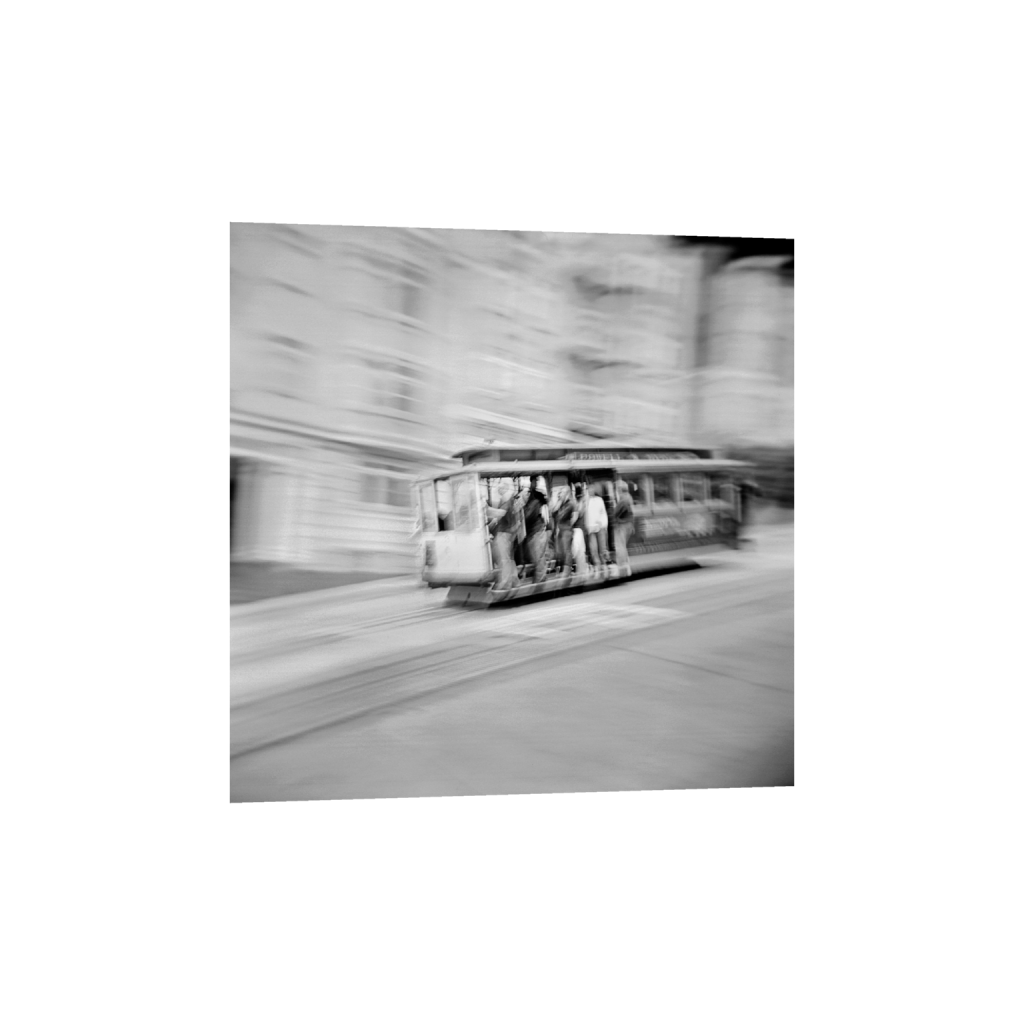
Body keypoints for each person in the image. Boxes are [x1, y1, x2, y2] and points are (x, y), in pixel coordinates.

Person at [486, 479, 521, 591]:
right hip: (508, 533)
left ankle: (505, 583)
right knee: (509, 559)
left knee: (503, 559)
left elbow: (500, 514)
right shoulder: (509, 500)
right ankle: (515, 581)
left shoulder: (507, 501)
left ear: (505, 488)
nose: (498, 490)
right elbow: (498, 519)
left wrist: (486, 509)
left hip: (504, 533)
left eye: (500, 488)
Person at [522, 475, 551, 583]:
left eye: (536, 481)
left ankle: (540, 581)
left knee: (538, 558)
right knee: (537, 558)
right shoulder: (532, 495)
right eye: (534, 481)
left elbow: (529, 515)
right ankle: (540, 579)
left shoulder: (537, 498)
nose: (535, 483)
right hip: (533, 531)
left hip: (537, 530)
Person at [584, 482, 609, 575]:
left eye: (592, 488)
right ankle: (597, 565)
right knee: (593, 549)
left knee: (602, 548)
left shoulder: (599, 500)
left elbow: (603, 513)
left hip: (600, 527)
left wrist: (603, 524)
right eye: (588, 489)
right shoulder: (585, 501)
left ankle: (604, 564)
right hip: (590, 529)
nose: (590, 490)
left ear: (594, 490)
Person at [611, 479, 635, 573]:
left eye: (616, 489)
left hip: (622, 525)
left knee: (620, 546)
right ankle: (625, 565)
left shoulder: (623, 499)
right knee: (623, 546)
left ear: (620, 489)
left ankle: (622, 567)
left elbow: (615, 513)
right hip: (628, 524)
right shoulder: (628, 497)